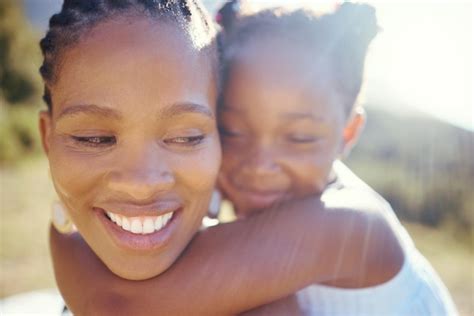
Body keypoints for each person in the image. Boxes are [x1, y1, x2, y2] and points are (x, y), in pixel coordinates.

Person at [44, 1, 456, 315]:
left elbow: (120, 304)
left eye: (299, 137)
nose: (260, 164)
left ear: (348, 133)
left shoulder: (350, 226)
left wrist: (63, 231)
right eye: (234, 131)